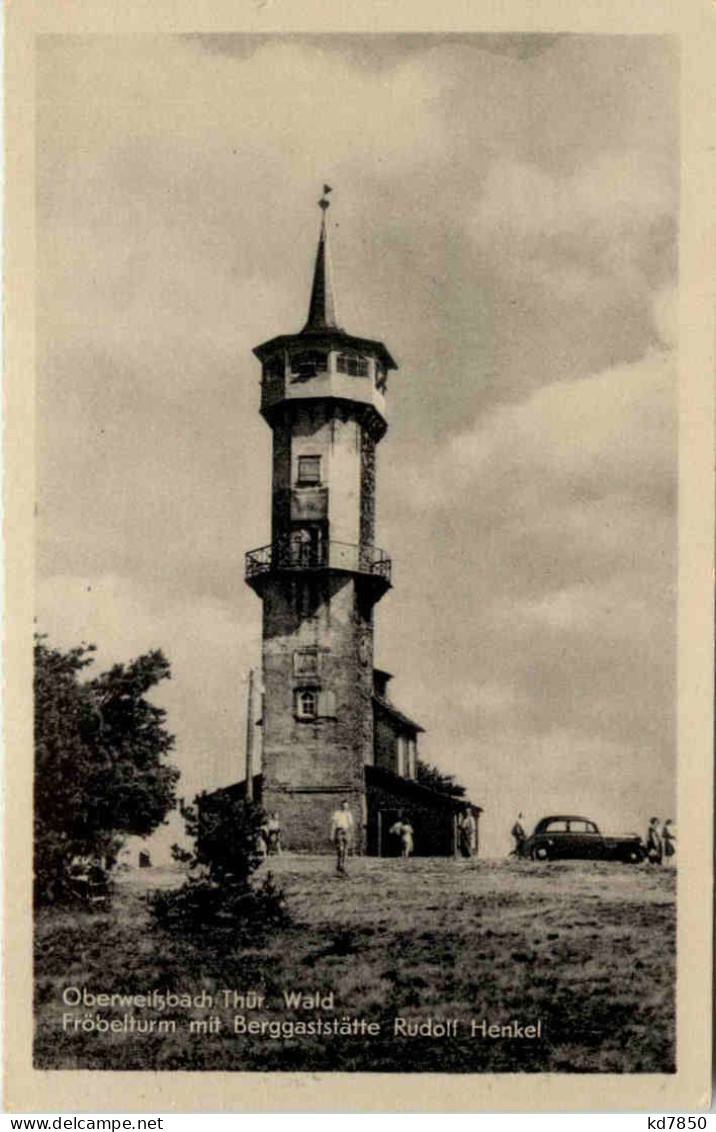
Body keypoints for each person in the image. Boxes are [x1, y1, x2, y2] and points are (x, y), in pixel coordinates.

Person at [330, 799, 354, 874]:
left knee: (345, 850)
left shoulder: (349, 814)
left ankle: (342, 865)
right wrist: (332, 834)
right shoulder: (337, 813)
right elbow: (334, 824)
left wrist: (350, 834)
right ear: (341, 806)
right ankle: (339, 863)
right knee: (340, 848)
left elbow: (351, 825)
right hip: (339, 831)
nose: (345, 807)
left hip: (346, 831)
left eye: (346, 806)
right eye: (344, 805)